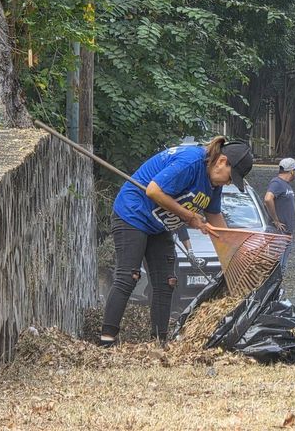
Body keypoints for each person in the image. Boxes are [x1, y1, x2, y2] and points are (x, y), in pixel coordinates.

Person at [100, 137, 254, 346]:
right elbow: (153, 190)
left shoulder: (213, 184)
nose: (228, 183)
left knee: (167, 282)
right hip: (133, 213)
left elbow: (216, 220)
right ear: (221, 161)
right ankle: (107, 340)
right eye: (230, 176)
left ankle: (159, 342)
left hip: (158, 225)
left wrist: (233, 258)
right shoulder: (191, 162)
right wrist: (189, 216)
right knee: (129, 276)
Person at [264, 157, 295, 274]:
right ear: (292, 171)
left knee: (281, 268)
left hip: (286, 233)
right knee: (274, 269)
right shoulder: (277, 182)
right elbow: (268, 199)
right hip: (278, 233)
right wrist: (275, 220)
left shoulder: (285, 185)